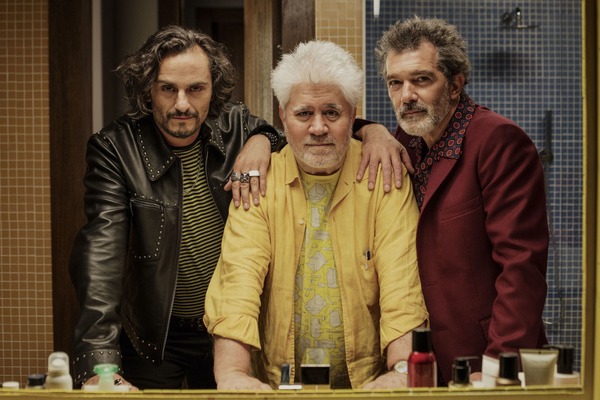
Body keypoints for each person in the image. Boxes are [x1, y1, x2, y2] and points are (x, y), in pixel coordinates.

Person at [203, 40, 428, 390]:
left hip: (366, 386)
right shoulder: (257, 180)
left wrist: (401, 371)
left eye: (332, 113)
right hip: (277, 387)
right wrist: (233, 374)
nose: (318, 127)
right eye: (304, 114)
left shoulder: (383, 175)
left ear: (353, 114)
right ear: (283, 116)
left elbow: (404, 287)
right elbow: (237, 282)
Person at [68, 25, 283, 390]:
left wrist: (265, 138)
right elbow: (101, 254)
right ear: (147, 90)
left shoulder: (238, 128)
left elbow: (310, 132)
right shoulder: (115, 149)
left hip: (230, 333)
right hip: (153, 337)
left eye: (196, 89)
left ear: (213, 89)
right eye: (168, 88)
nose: (182, 104)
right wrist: (98, 366)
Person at [373, 17, 549, 385]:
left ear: (455, 85)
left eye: (422, 79)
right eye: (395, 83)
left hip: (485, 359)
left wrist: (498, 366)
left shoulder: (498, 141)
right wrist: (369, 129)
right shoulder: (405, 143)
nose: (406, 96)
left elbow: (521, 268)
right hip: (423, 362)